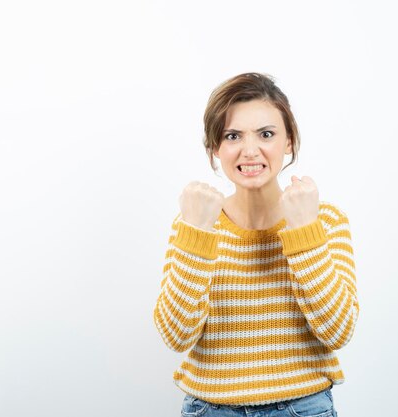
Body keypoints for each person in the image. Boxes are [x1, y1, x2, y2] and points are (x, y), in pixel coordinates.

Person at [153, 72, 358, 416]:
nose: (250, 151)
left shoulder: (325, 220)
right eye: (232, 136)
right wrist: (196, 234)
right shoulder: (194, 222)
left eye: (266, 134)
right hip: (211, 409)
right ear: (214, 148)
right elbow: (175, 336)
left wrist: (305, 231)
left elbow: (337, 331)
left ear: (289, 141)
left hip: (303, 407)